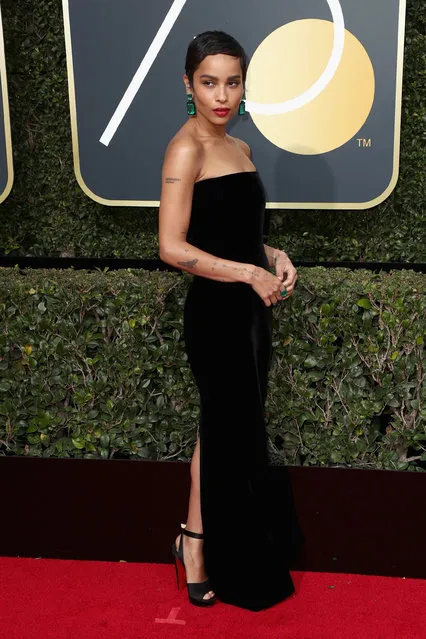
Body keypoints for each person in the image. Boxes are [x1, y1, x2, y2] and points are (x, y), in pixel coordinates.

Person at [159, 30, 304, 611]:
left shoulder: (240, 149)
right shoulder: (185, 148)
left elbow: (240, 233)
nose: (222, 95)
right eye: (209, 82)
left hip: (250, 313)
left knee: (222, 431)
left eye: (233, 82)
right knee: (224, 428)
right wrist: (246, 273)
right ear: (188, 84)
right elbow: (171, 248)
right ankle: (199, 550)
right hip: (217, 314)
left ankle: (192, 539)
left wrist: (271, 256)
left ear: (244, 84)